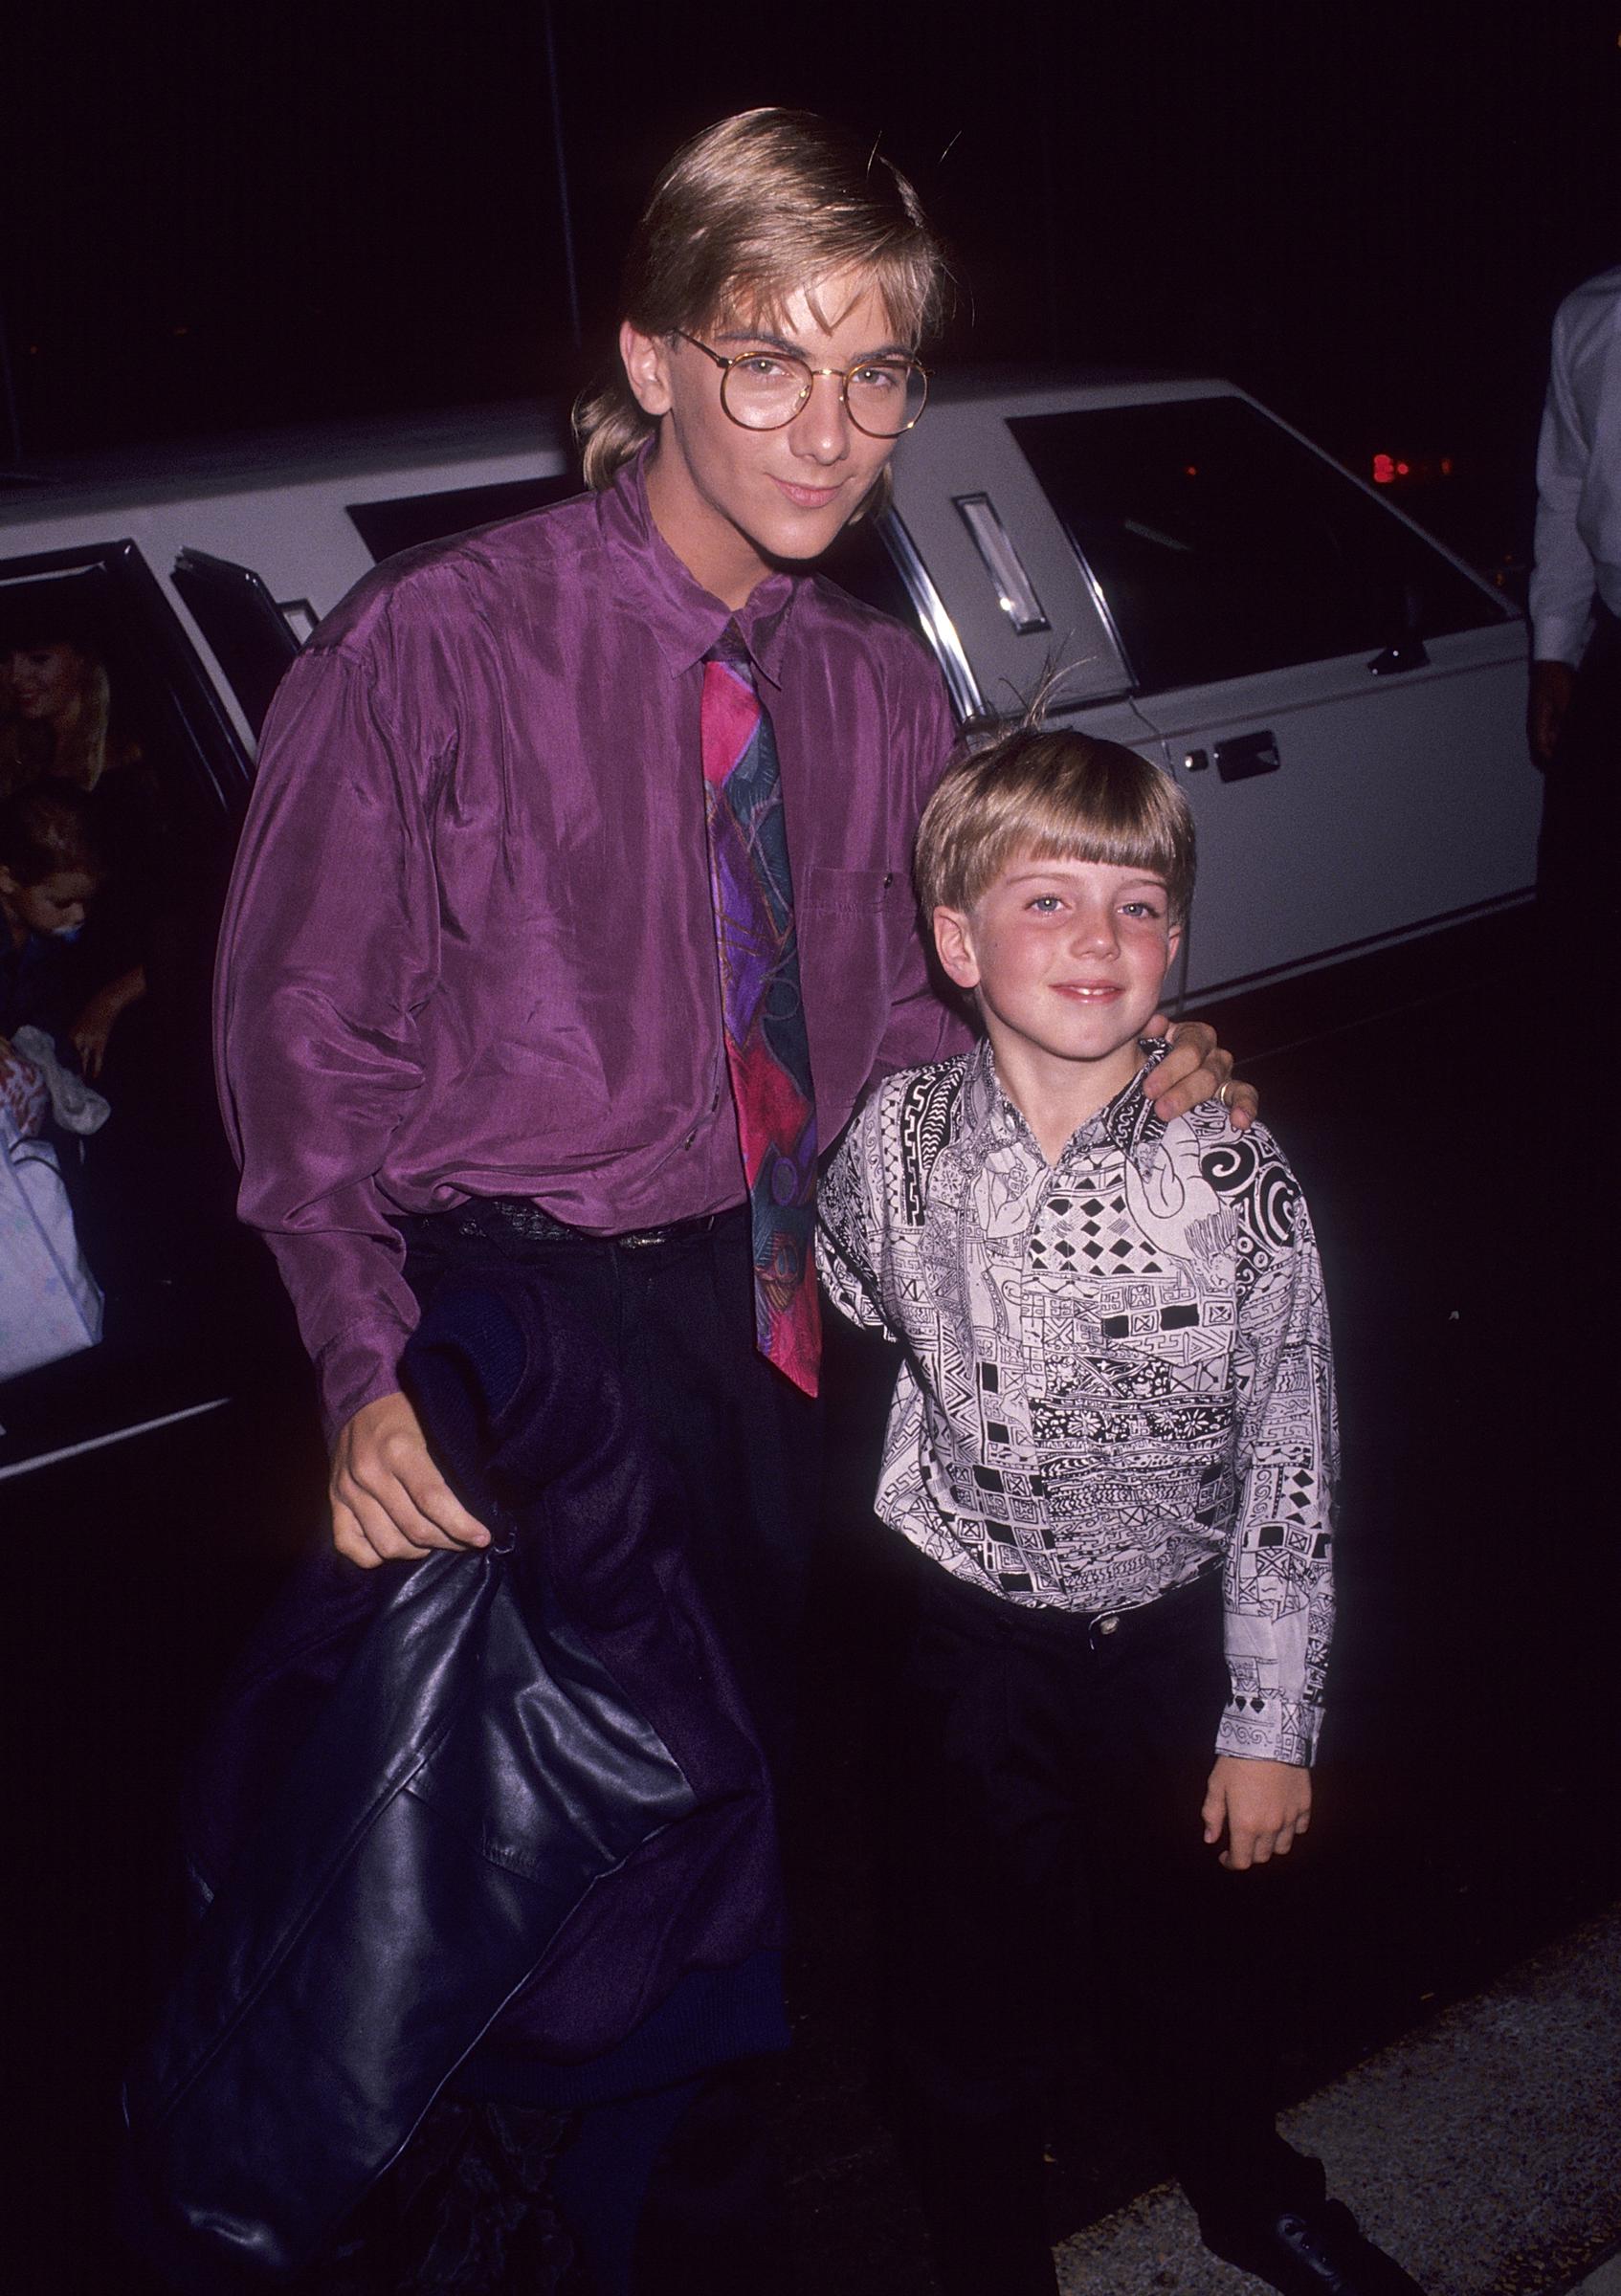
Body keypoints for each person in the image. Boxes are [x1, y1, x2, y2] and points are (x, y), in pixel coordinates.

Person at [211, 107, 1251, 2286]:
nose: (831, 421)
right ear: (657, 355)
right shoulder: (429, 650)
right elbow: (307, 1058)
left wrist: (1105, 1057)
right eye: (770, 357)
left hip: (777, 1350)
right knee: (612, 1902)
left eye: (877, 370)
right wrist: (361, 1369)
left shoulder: (873, 687)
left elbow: (885, 1036)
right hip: (529, 1344)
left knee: (700, 1861)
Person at [816, 726, 1425, 2296]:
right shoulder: (888, 1145)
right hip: (967, 1638)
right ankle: (986, 2253)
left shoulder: (1230, 1174)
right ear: (953, 940)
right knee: (959, 1983)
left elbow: (1295, 1455)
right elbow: (834, 1293)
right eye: (1045, 899)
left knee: (1191, 1953)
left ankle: (1245, 2187)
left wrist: (1266, 1723)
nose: (1096, 937)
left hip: (1166, 1628)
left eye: (1139, 902)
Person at [1526, 261, 1620, 961]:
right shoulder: (1590, 311)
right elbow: (1564, 490)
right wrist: (1555, 650)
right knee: (1583, 893)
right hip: (1614, 644)